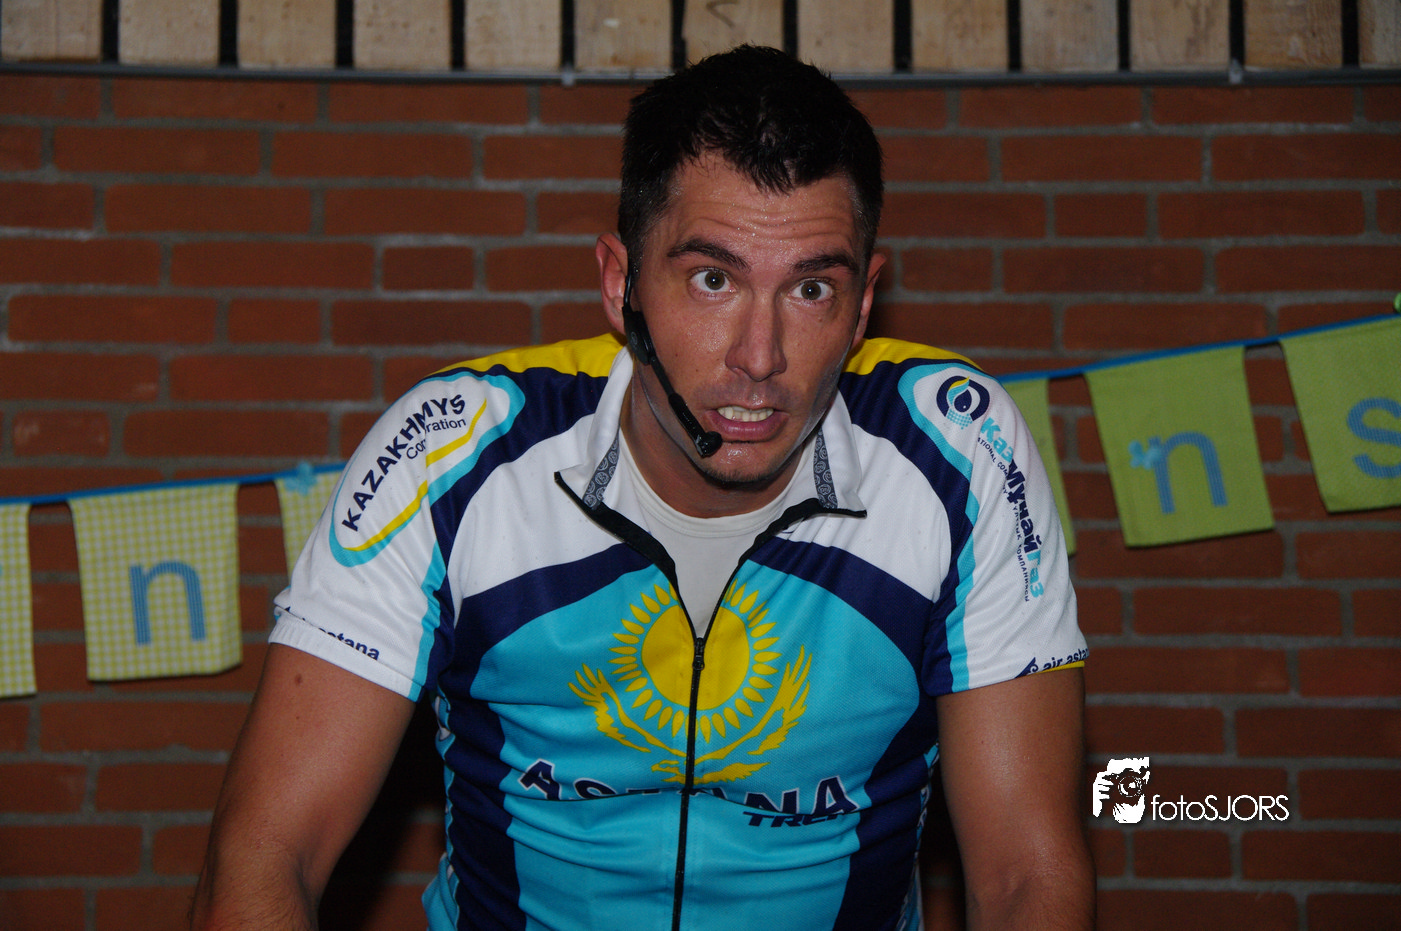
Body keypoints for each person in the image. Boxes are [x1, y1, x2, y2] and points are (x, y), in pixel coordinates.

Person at [191, 45, 1093, 931]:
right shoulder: (452, 454)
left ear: (863, 305)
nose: (759, 357)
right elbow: (260, 860)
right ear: (621, 285)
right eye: (712, 279)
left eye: (811, 289)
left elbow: (1027, 873)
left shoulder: (958, 449)